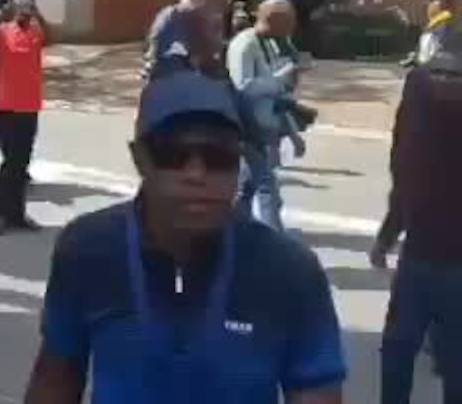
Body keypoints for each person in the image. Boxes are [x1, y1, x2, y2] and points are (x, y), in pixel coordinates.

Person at [25, 72, 345, 404]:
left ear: (240, 163)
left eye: (218, 156)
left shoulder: (289, 270)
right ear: (140, 159)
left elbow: (316, 392)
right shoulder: (88, 249)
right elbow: (55, 378)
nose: (196, 174)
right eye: (172, 155)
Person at [371, 22, 462, 403]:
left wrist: (389, 233)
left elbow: (404, 169)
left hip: (421, 251)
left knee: (398, 351)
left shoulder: (419, 90)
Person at [227, 0, 304, 232]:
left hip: (264, 128)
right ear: (274, 20)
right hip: (247, 127)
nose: (292, 28)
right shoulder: (245, 44)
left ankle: (232, 235)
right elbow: (243, 87)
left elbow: (274, 94)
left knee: (246, 189)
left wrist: (292, 133)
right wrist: (279, 78)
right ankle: (276, 243)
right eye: (289, 22)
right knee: (267, 188)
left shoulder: (268, 44)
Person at [0, 0, 49, 235]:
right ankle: (0, 214)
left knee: (21, 163)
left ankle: (17, 213)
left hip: (29, 106)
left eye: (29, 8)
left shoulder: (36, 32)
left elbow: (54, 37)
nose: (25, 12)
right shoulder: (3, 31)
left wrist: (40, 15)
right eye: (21, 8)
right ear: (13, 10)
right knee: (9, 162)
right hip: (7, 106)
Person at [144, 0, 207, 80]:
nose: (195, 0)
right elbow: (155, 37)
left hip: (189, 63)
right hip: (167, 60)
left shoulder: (199, 19)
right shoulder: (169, 14)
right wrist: (150, 61)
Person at [405, 0, 455, 67]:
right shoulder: (436, 4)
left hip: (436, 24)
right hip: (440, 24)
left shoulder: (431, 5)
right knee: (439, 40)